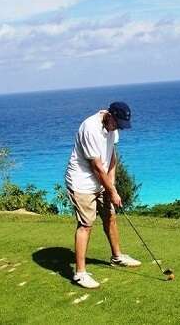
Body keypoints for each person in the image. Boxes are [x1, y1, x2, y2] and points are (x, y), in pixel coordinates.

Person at [64, 102, 141, 289]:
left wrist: (111, 185)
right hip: (81, 183)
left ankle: (117, 257)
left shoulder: (113, 127)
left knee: (110, 217)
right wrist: (112, 192)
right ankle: (80, 273)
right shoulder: (90, 128)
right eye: (117, 123)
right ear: (109, 115)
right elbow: (97, 166)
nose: (117, 128)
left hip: (102, 181)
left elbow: (112, 156)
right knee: (86, 225)